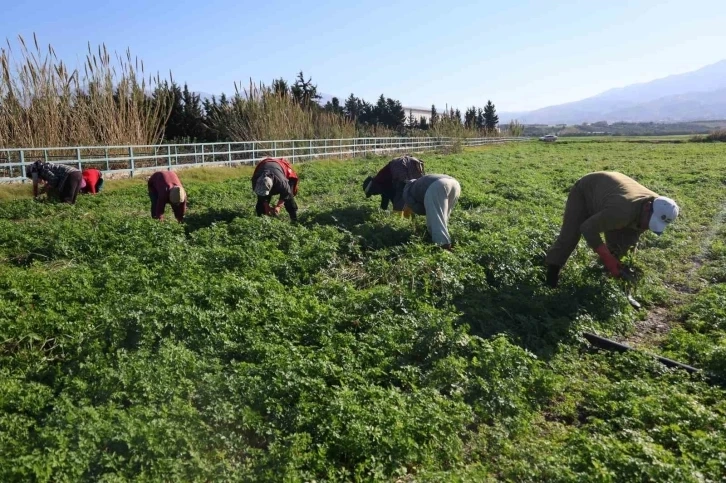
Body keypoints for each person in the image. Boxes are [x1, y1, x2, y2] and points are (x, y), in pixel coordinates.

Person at [545, 171, 679, 288]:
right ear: (647, 207)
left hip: (613, 197)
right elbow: (587, 228)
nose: (647, 227)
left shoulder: (655, 207)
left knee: (622, 248)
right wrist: (607, 258)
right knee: (569, 236)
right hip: (586, 190)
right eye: (650, 222)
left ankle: (606, 283)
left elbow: (632, 238)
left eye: (653, 225)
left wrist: (623, 263)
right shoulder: (622, 211)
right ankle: (550, 277)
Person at [402, 174, 461, 250]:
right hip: (455, 184)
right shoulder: (419, 183)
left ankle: (443, 245)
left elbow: (417, 208)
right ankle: (438, 237)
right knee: (443, 216)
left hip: (438, 185)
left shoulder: (407, 191)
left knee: (436, 218)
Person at [251, 157, 299, 221]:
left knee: (289, 199)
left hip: (285, 174)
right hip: (268, 167)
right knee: (261, 203)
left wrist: (278, 206)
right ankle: (261, 220)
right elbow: (261, 196)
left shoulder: (281, 182)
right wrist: (266, 206)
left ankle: (294, 220)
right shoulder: (255, 180)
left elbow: (286, 193)